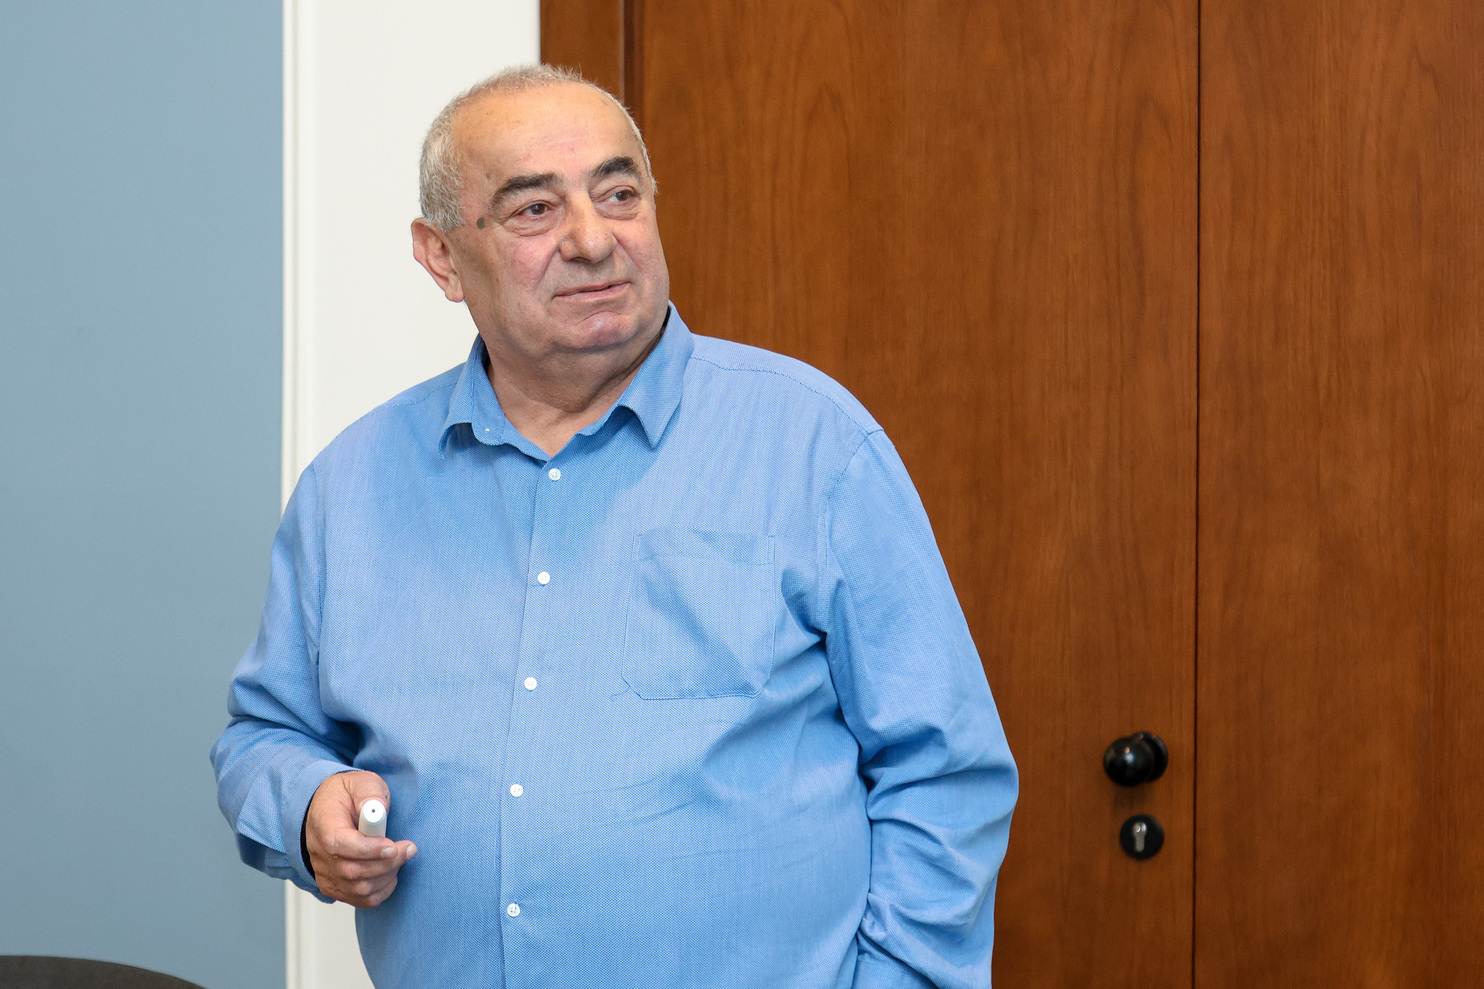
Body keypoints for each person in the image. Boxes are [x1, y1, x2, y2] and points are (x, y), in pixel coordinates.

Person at [212, 64, 1017, 989]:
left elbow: (944, 773)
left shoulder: (814, 446)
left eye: (619, 193)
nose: (594, 240)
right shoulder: (350, 487)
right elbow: (262, 734)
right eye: (534, 210)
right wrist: (306, 803)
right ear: (442, 258)